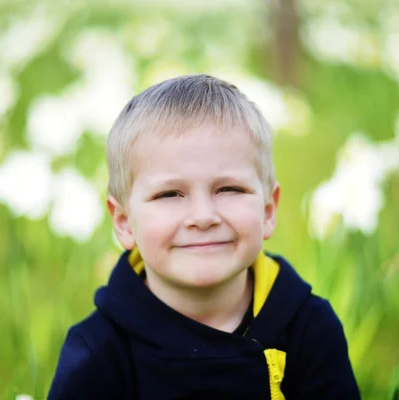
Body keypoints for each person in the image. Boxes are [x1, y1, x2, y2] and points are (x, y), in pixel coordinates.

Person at [48, 74, 360, 399]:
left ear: (268, 211)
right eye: (170, 194)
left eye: (229, 189)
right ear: (124, 222)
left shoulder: (308, 330)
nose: (203, 217)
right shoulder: (98, 353)